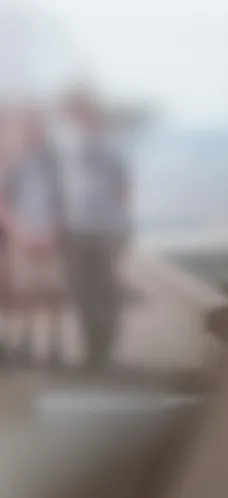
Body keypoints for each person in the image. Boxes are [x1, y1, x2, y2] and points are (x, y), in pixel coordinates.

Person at [54, 88, 131, 371]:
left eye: (84, 112)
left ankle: (105, 351)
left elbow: (123, 186)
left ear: (94, 113)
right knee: (82, 291)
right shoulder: (66, 146)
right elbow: (61, 186)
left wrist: (119, 224)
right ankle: (90, 351)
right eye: (75, 113)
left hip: (105, 229)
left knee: (105, 291)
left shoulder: (112, 144)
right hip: (74, 229)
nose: (79, 118)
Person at [0, 105, 67, 368]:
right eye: (27, 126)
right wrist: (19, 233)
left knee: (53, 294)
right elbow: (3, 202)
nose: (31, 131)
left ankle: (55, 348)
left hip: (52, 237)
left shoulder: (56, 163)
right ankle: (25, 345)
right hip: (22, 238)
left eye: (36, 125)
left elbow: (65, 201)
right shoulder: (15, 163)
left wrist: (54, 233)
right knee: (25, 293)